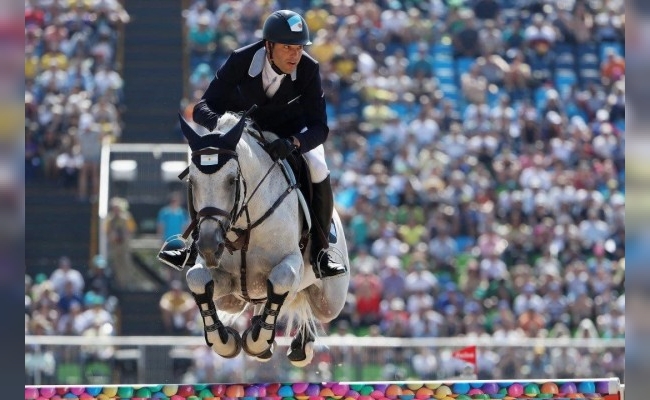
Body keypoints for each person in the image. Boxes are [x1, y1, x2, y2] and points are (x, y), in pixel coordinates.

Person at [158, 10, 346, 279]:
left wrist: (294, 142)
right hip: (244, 137)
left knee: (317, 163)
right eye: (288, 48)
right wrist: (225, 124)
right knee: (203, 161)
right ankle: (194, 244)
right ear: (269, 45)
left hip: (288, 136)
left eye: (299, 48)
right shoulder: (241, 60)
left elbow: (320, 127)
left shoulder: (308, 69)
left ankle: (321, 250)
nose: (295, 55)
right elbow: (202, 106)